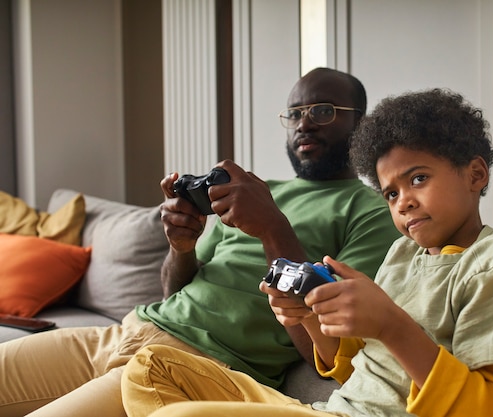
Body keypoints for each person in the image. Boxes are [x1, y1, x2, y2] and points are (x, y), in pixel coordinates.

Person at [0, 67, 401, 417]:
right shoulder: (256, 189)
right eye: (294, 113)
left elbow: (332, 348)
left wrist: (272, 228)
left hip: (196, 365)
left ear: (360, 123)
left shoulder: (370, 212)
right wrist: (182, 246)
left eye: (323, 111)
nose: (304, 124)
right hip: (126, 332)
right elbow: (175, 290)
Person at [119, 88, 493, 417]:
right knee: (151, 368)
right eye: (391, 193)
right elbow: (356, 366)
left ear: (475, 174)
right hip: (331, 409)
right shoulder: (402, 254)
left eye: (419, 179)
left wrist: (392, 325)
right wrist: (309, 318)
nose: (403, 202)